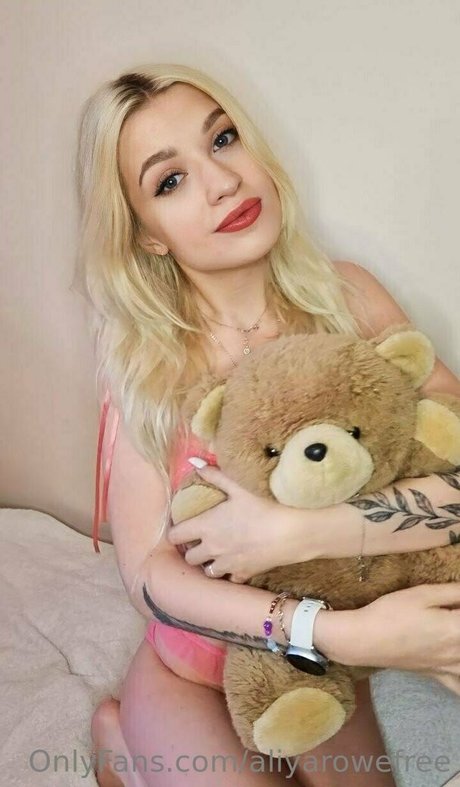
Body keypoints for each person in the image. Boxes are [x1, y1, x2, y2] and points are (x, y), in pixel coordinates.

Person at [72, 63, 460, 787]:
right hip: (191, 669)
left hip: (314, 671)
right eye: (170, 180)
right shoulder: (146, 366)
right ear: (147, 235)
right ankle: (122, 739)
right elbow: (149, 575)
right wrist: (334, 630)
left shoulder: (348, 298)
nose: (222, 182)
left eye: (223, 139)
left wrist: (304, 534)